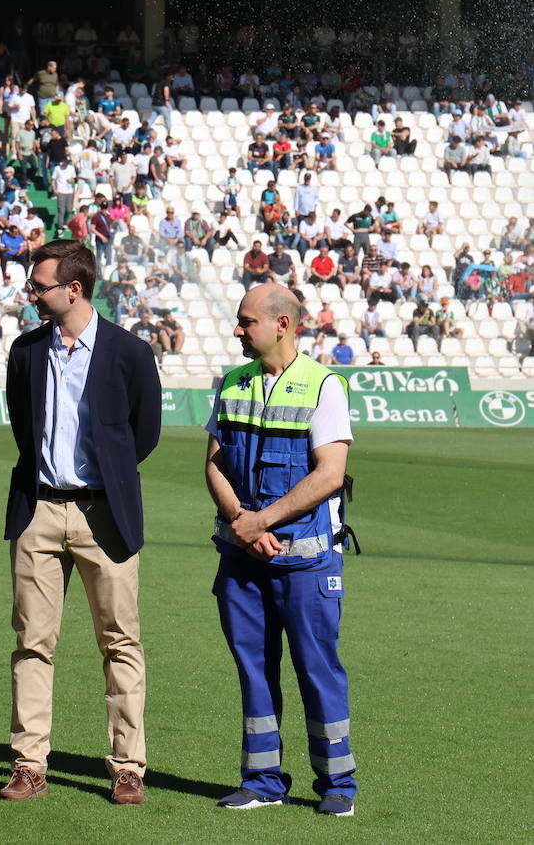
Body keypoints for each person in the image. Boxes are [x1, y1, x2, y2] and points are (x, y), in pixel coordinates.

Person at [0, 239, 161, 805]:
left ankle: (127, 767)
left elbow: (143, 434)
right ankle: (29, 762)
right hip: (38, 510)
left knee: (120, 641)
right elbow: (24, 425)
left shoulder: (129, 352)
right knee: (32, 642)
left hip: (104, 514)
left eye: (40, 285)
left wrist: (105, 478)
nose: (31, 293)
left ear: (74, 289)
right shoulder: (25, 351)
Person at [204, 283, 357, 817]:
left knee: (317, 669)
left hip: (307, 564)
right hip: (242, 561)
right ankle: (262, 779)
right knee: (253, 670)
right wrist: (241, 523)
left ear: (282, 325)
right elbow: (214, 464)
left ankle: (338, 785)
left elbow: (330, 474)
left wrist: (259, 521)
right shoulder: (232, 383)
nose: (238, 330)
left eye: (246, 321)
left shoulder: (323, 386)